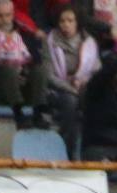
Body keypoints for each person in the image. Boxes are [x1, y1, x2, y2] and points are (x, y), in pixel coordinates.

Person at [0, 0, 49, 128]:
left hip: (22, 88)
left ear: (13, 15)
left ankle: (38, 113)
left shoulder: (25, 36)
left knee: (40, 69)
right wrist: (7, 69)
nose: (5, 20)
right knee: (8, 69)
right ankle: (18, 115)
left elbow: (37, 61)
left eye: (8, 15)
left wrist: (23, 72)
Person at [45, 6, 100, 158]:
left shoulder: (89, 42)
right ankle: (68, 151)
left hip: (82, 87)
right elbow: (49, 76)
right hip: (58, 89)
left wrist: (83, 80)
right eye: (62, 21)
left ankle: (90, 151)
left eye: (70, 21)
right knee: (71, 102)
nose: (66, 24)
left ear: (77, 23)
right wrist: (70, 88)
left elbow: (96, 70)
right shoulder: (50, 41)